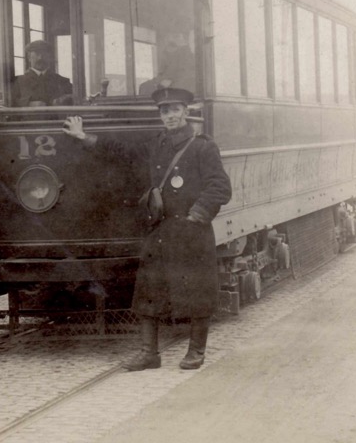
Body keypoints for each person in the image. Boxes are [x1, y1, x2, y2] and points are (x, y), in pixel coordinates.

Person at [63, 87, 231, 371]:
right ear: (160, 116)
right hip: (161, 229)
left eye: (175, 110)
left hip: (192, 230)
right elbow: (123, 151)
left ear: (186, 112)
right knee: (148, 290)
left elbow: (220, 187)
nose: (170, 116)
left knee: (198, 291)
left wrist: (197, 214)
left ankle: (196, 352)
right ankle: (149, 354)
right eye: (165, 111)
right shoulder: (158, 143)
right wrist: (85, 137)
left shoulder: (203, 146)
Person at [12, 39, 73, 106]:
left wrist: (64, 99)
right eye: (37, 54)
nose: (40, 58)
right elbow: (12, 103)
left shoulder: (62, 81)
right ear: (29, 57)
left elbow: (74, 98)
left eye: (44, 54)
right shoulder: (18, 82)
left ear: (50, 57)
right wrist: (29, 104)